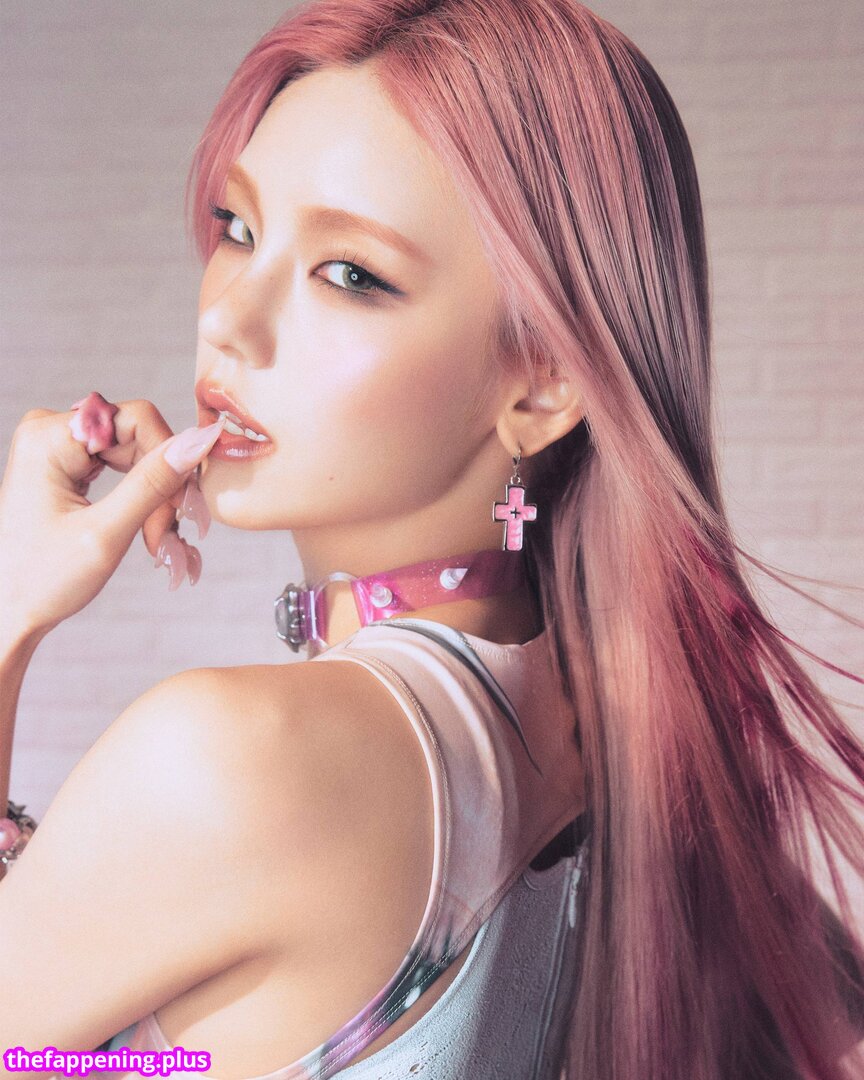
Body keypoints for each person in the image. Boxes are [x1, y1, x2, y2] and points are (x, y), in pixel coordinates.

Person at [1, 1, 863, 1078]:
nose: (228, 319)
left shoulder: (235, 759)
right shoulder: (642, 747)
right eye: (239, 228)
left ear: (543, 387)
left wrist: (10, 614)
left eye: (350, 274)